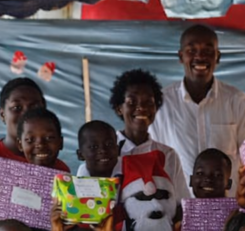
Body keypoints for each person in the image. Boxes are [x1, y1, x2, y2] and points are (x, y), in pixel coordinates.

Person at [149, 24, 245, 193]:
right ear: (181, 56)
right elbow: (153, 160)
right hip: (180, 211)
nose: (200, 57)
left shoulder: (237, 101)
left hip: (228, 211)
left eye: (208, 51)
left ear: (218, 57)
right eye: (191, 50)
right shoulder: (161, 104)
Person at [77, 69, 189, 200]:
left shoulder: (168, 155)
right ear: (119, 108)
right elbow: (84, 200)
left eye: (149, 102)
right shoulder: (103, 153)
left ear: (156, 108)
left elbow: (181, 202)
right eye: (132, 102)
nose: (141, 107)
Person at [0, 77, 69, 199]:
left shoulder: (60, 170)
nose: (26, 113)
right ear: (2, 114)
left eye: (35, 107)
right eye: (16, 108)